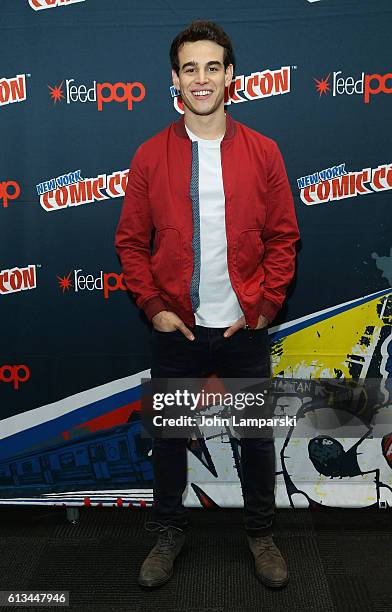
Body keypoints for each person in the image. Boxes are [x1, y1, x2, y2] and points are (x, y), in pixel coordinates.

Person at [115, 19, 300, 589]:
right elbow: (130, 241)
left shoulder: (264, 152)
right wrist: (153, 305)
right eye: (190, 68)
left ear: (230, 77)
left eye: (212, 66)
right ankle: (169, 532)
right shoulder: (150, 155)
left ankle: (261, 533)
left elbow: (283, 237)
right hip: (178, 329)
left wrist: (265, 307)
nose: (201, 78)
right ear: (175, 79)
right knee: (169, 439)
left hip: (245, 326)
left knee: (255, 438)